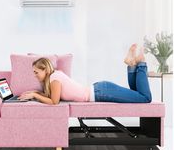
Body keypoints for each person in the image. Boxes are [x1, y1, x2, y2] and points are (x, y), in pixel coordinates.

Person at [18, 44, 152, 105]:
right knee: (136, 95)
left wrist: (35, 95)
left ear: (45, 70)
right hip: (100, 90)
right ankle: (132, 66)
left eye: (36, 72)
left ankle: (140, 64)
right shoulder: (54, 77)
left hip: (101, 92)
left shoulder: (54, 78)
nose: (35, 75)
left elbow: (54, 102)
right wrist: (35, 93)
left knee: (145, 98)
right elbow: (52, 96)